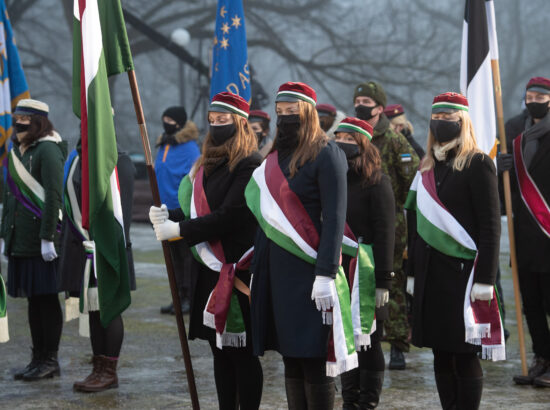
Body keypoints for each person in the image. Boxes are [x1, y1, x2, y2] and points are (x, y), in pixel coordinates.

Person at [150, 92, 263, 409]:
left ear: (239, 123)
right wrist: (169, 216)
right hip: (208, 272)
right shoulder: (205, 163)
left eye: (223, 120)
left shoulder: (250, 164)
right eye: (212, 120)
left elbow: (231, 214)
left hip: (236, 270)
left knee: (242, 354)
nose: (216, 126)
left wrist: (181, 231)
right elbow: (196, 211)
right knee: (218, 350)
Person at [248, 82, 352, 410]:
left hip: (310, 272)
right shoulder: (274, 158)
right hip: (277, 272)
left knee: (314, 356)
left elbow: (335, 219)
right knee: (291, 355)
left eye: (292, 112)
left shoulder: (327, 154)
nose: (285, 118)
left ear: (307, 112)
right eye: (280, 113)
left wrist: (325, 273)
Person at [405, 92, 503, 409]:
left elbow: (490, 227)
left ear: (463, 122)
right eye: (438, 118)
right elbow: (415, 226)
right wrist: (410, 273)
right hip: (430, 274)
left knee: (463, 352)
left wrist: (486, 279)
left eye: (449, 118)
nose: (442, 123)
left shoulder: (478, 164)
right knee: (439, 350)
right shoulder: (427, 168)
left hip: (463, 275)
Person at [57, 132, 136, 392]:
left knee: (109, 308)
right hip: (83, 247)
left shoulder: (119, 160)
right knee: (92, 308)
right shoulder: (78, 158)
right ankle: (97, 367)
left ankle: (109, 370)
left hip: (107, 247)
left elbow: (118, 210)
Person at [353, 81, 419, 370]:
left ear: (380, 108)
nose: (361, 105)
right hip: (356, 225)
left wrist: (397, 213)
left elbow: (412, 179)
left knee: (389, 283)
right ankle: (364, 335)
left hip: (390, 227)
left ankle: (397, 345)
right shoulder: (352, 136)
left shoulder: (393, 140)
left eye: (367, 101)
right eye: (358, 100)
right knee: (359, 282)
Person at [0, 99, 67, 380]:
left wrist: (48, 238)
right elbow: (9, 197)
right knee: (32, 302)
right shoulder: (16, 150)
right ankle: (37, 357)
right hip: (20, 240)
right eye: (17, 118)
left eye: (25, 119)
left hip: (42, 241)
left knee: (47, 300)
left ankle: (50, 359)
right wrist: (6, 236)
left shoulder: (48, 150)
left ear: (39, 121)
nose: (19, 123)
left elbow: (53, 196)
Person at [334, 117, 395, 409]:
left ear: (363, 144)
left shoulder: (378, 182)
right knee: (345, 337)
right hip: (339, 271)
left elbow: (386, 233)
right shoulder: (334, 179)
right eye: (339, 137)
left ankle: (367, 403)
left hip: (367, 273)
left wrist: (384, 280)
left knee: (369, 342)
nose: (343, 143)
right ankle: (350, 400)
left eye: (349, 138)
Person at [498, 77, 550, 387]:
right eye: (530, 95)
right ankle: (541, 356)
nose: (534, 100)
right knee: (529, 300)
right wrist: (498, 165)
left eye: (540, 96)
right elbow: (504, 185)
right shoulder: (513, 128)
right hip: (524, 228)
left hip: (548, 226)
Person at [155, 106, 200, 315]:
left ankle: (189, 298)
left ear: (180, 123)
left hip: (181, 210)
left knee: (185, 257)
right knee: (173, 258)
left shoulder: (190, 148)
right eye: (164, 119)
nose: (167, 123)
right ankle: (177, 297)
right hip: (164, 210)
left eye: (170, 120)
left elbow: (193, 177)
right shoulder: (164, 144)